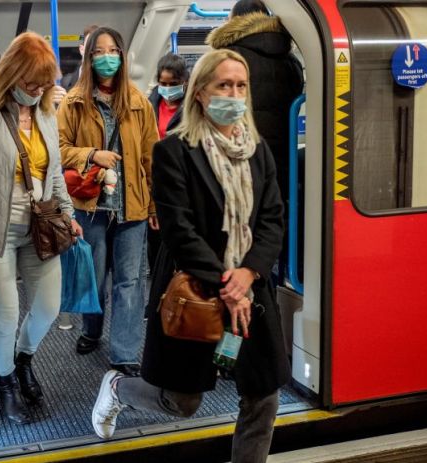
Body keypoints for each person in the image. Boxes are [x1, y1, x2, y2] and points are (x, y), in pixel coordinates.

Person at [90, 49, 290, 463]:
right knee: (182, 401)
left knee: (262, 396)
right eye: (223, 85)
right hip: (196, 288)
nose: (234, 94)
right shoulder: (174, 152)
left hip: (250, 293)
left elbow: (272, 218)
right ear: (200, 92)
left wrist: (249, 274)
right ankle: (118, 388)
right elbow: (179, 231)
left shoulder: (257, 151)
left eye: (241, 86)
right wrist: (227, 284)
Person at [0, 32, 83, 425]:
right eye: (31, 83)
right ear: (12, 74)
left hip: (42, 227)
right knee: (6, 313)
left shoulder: (45, 113)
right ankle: (5, 383)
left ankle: (23, 360)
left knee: (47, 308)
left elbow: (53, 173)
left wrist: (68, 213)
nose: (37, 90)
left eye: (44, 84)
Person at [58, 26, 159, 377]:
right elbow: (59, 150)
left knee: (130, 280)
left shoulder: (139, 103)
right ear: (89, 58)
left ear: (123, 56)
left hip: (133, 205)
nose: (107, 58)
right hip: (90, 206)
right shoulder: (73, 102)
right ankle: (92, 330)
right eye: (99, 52)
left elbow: (151, 158)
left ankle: (124, 352)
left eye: (113, 51)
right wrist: (91, 155)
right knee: (94, 276)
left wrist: (155, 205)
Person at [206, 0, 303, 219]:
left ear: (235, 21)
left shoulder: (227, 59)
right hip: (281, 160)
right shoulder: (292, 61)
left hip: (238, 159)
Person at [145, 53, 189, 307]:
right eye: (163, 83)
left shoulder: (192, 108)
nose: (168, 88)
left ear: (184, 82)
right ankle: (157, 301)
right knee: (156, 246)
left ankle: (181, 297)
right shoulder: (149, 105)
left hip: (181, 183)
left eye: (173, 84)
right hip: (156, 182)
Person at [60, 24, 99, 91]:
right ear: (81, 49)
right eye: (90, 45)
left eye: (99, 50)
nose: (94, 51)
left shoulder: (113, 83)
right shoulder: (64, 82)